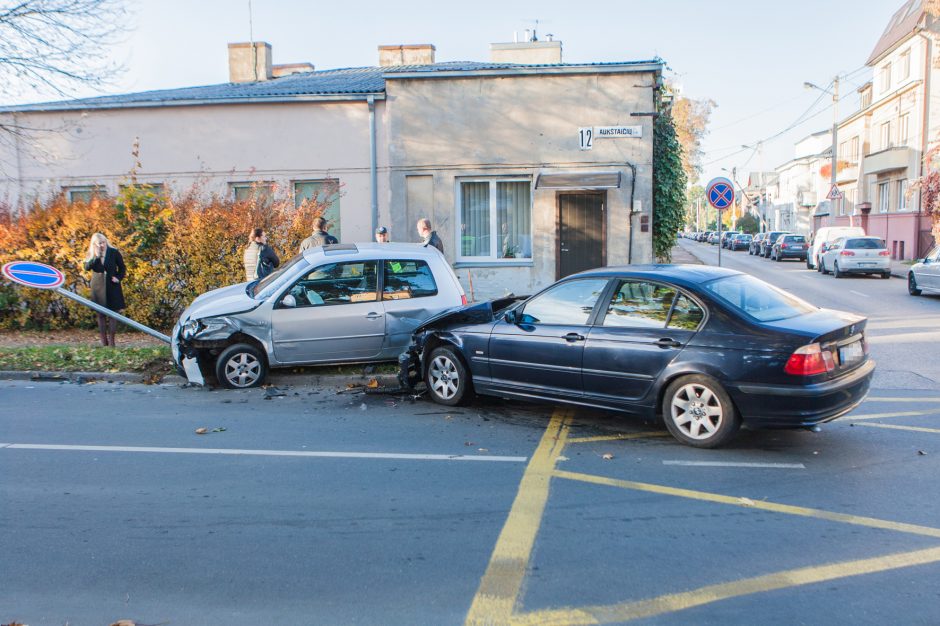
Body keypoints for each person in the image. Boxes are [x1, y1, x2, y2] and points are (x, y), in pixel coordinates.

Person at [83, 232, 126, 347]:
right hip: (98, 287)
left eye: (103, 242)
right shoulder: (91, 254)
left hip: (112, 286)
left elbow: (122, 268)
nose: (102, 245)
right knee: (101, 315)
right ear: (94, 245)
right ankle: (104, 342)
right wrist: (97, 256)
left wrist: (118, 277)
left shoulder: (114, 252)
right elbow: (86, 267)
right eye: (99, 243)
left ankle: (112, 343)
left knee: (113, 314)